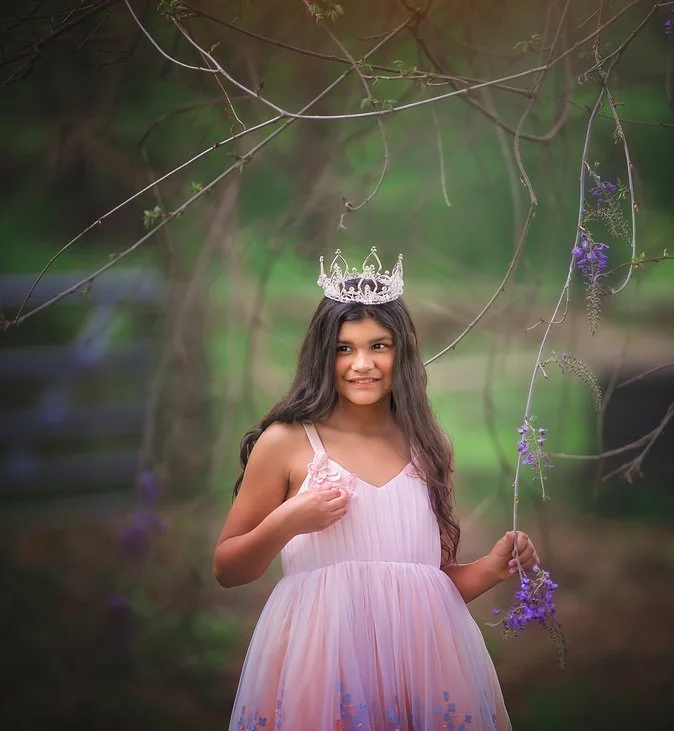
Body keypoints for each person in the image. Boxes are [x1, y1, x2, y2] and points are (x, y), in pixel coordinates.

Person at [214, 248, 540, 731]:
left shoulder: (430, 447)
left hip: (422, 673)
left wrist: (491, 569)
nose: (361, 364)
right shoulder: (286, 442)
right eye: (345, 348)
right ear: (323, 354)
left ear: (402, 350)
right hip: (325, 676)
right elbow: (228, 568)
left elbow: (428, 587)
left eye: (379, 346)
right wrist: (289, 520)